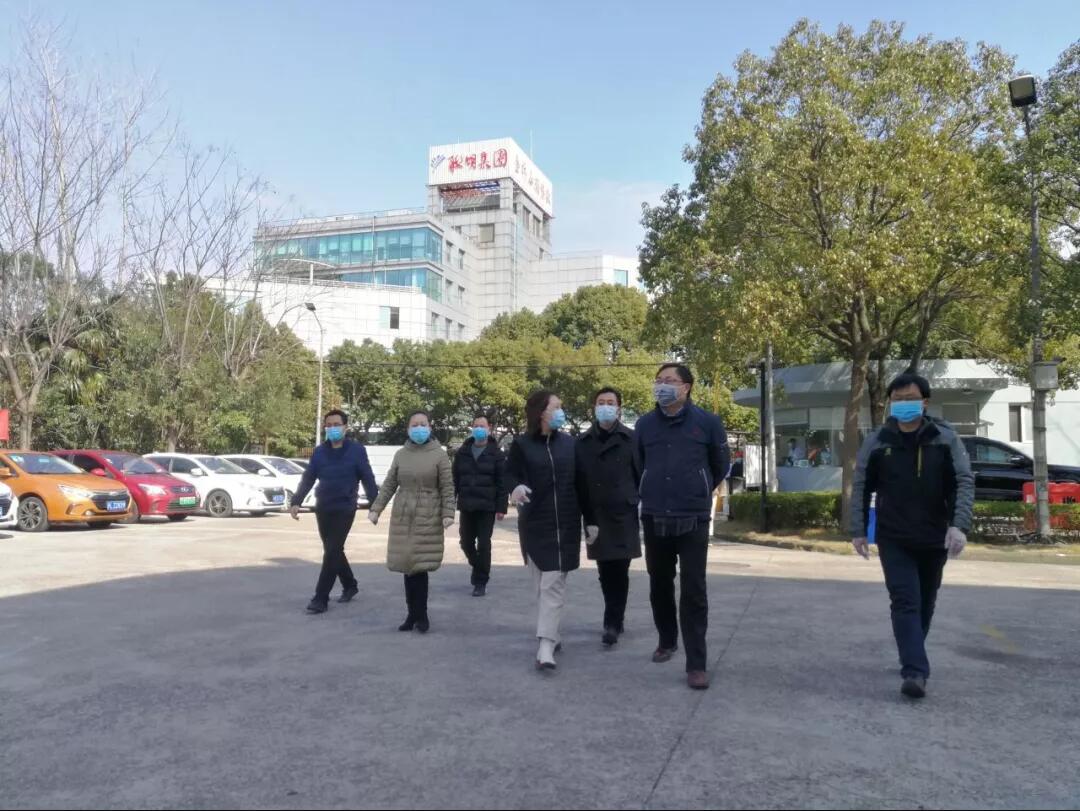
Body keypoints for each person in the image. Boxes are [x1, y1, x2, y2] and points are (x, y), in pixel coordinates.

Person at [851, 373, 974, 700]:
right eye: (898, 399)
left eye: (910, 399)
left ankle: (912, 650)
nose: (904, 404)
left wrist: (959, 525)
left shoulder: (945, 439)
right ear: (890, 403)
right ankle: (915, 671)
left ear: (925, 402)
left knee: (925, 602)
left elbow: (963, 482)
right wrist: (858, 530)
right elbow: (861, 486)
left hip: (934, 537)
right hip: (894, 537)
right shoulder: (878, 441)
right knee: (905, 600)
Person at [636, 364, 730, 690]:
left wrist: (698, 490)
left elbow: (720, 464)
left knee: (693, 590)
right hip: (654, 515)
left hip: (693, 517)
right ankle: (667, 639)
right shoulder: (645, 425)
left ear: (686, 387)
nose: (662, 385)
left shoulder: (707, 423)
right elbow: (638, 465)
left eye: (670, 381)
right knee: (659, 584)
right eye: (659, 380)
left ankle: (696, 664)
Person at [505, 390, 582, 671]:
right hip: (534, 524)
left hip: (566, 526)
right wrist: (514, 487)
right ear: (541, 412)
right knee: (541, 586)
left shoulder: (570, 445)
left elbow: (582, 484)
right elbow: (508, 474)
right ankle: (554, 634)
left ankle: (546, 646)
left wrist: (592, 521)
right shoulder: (522, 445)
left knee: (552, 585)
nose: (561, 412)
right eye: (556, 407)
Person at [369, 411, 456, 634]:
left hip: (428, 513)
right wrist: (376, 509)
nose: (419, 428)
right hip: (403, 514)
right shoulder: (401, 454)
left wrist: (448, 513)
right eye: (414, 424)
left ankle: (421, 615)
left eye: (422, 424)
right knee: (407, 566)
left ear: (430, 427)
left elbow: (447, 487)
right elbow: (390, 484)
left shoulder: (439, 455)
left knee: (420, 566)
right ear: (408, 429)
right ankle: (411, 614)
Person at [291, 409, 380, 615]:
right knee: (334, 551)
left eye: (336, 424)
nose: (332, 428)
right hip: (323, 507)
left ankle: (320, 598)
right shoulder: (319, 452)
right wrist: (296, 501)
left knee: (331, 551)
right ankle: (350, 585)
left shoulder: (356, 450)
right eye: (328, 425)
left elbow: (367, 477)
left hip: (345, 507)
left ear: (345, 427)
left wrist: (375, 504)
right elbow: (308, 478)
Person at [575, 387, 642, 648]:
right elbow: (578, 480)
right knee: (604, 570)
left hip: (623, 513)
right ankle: (613, 617)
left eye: (610, 402)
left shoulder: (632, 439)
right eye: (601, 402)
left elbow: (641, 474)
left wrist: (634, 499)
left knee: (620, 570)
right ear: (594, 408)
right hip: (596, 514)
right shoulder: (582, 442)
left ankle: (613, 622)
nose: (605, 406)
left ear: (619, 408)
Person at [452, 412, 509, 596]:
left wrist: (501, 508)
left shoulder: (497, 455)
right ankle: (478, 567)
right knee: (466, 543)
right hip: (467, 505)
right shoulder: (462, 453)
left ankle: (480, 582)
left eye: (482, 426)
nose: (479, 429)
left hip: (487, 507)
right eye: (476, 426)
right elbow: (455, 479)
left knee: (484, 544)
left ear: (489, 428)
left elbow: (502, 483)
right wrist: (450, 501)